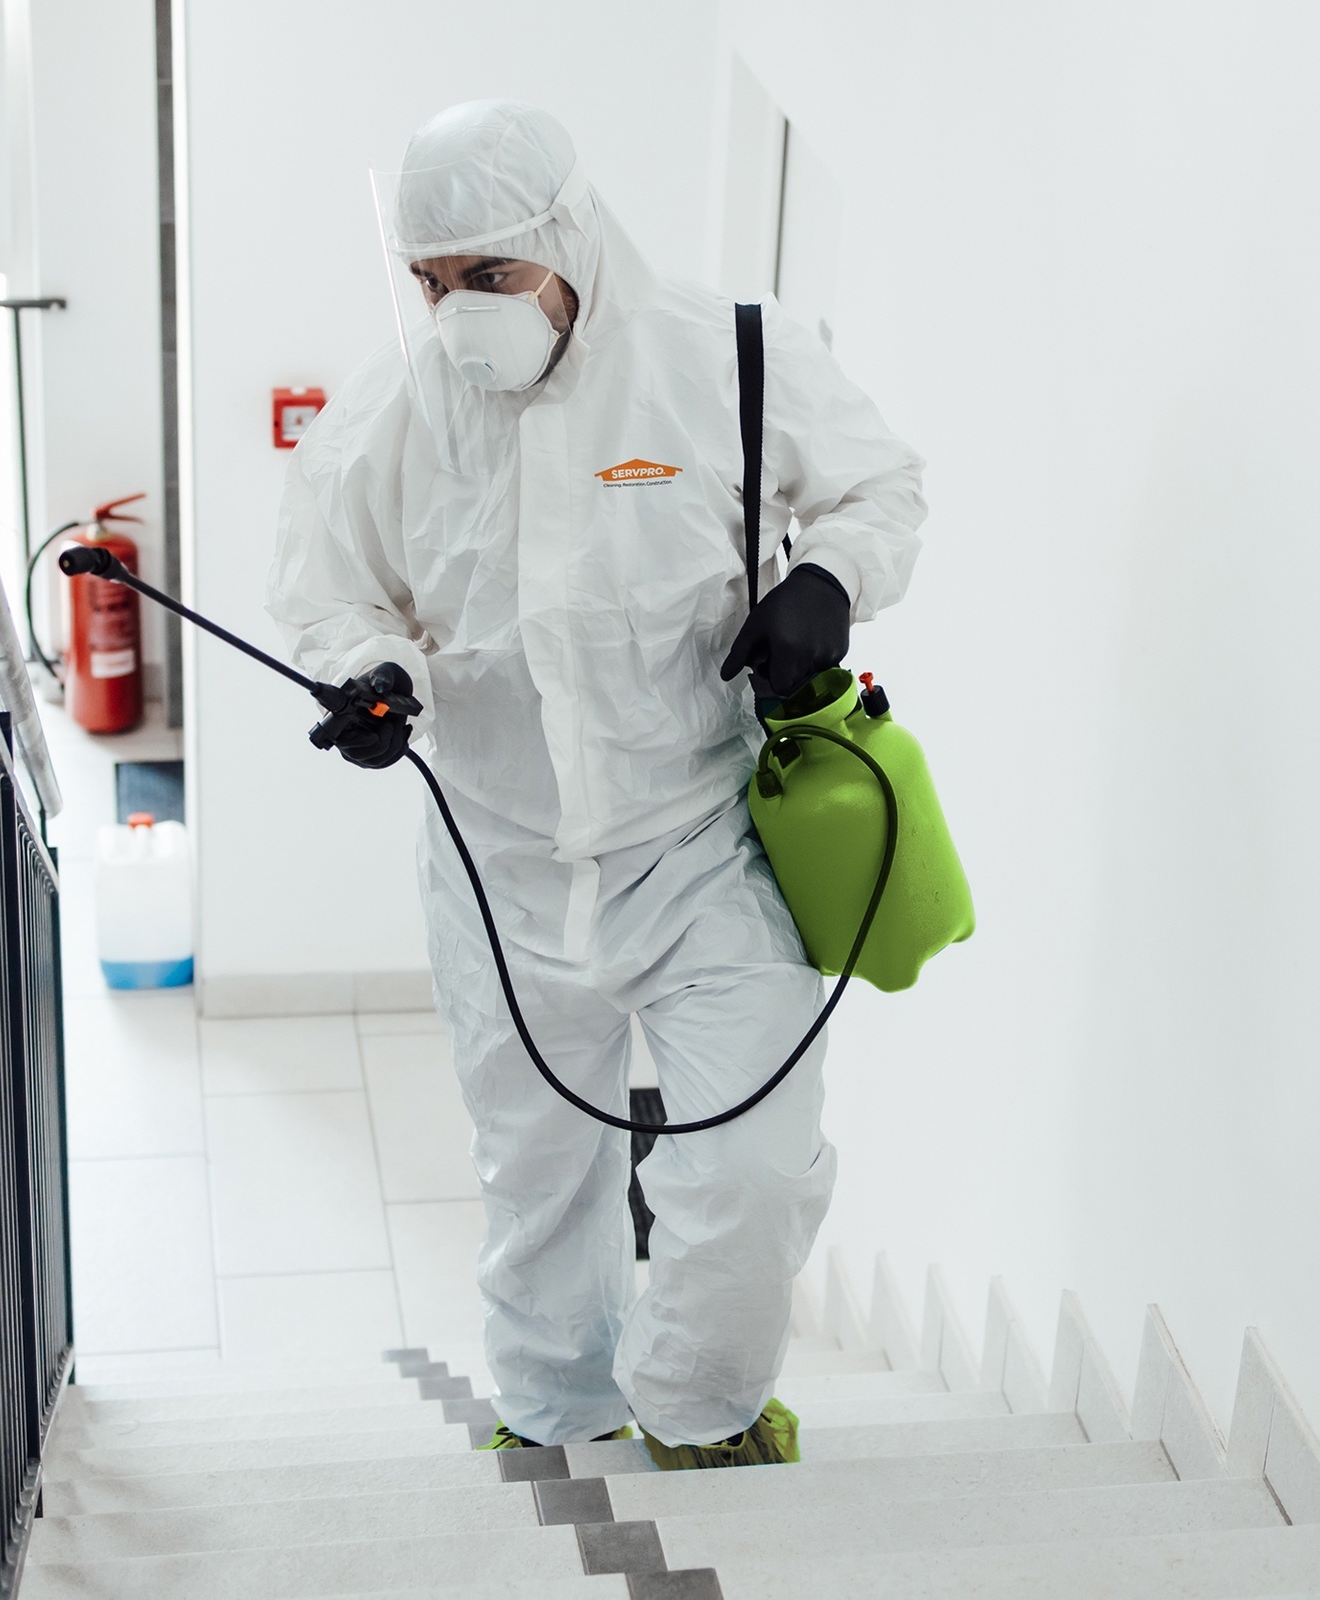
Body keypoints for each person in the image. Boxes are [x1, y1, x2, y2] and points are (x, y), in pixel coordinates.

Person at [267, 100, 925, 1468]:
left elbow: (878, 491)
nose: (461, 316)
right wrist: (377, 677)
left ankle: (698, 1407)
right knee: (538, 1173)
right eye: (431, 284)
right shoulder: (394, 415)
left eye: (490, 277)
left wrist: (826, 580)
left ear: (569, 239)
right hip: (501, 868)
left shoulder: (728, 358)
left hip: (700, 845)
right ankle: (559, 1406)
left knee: (749, 1165)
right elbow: (334, 598)